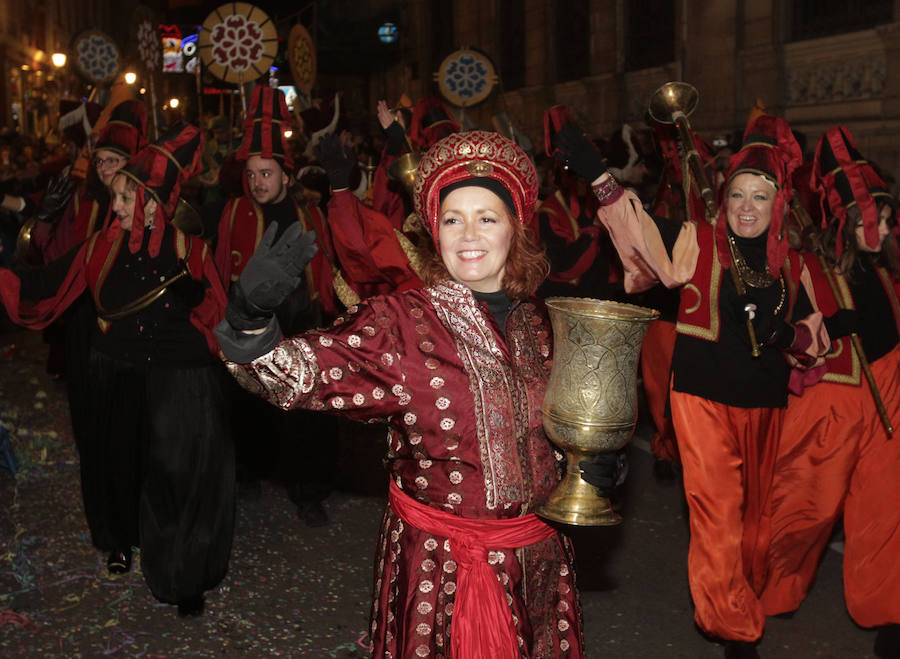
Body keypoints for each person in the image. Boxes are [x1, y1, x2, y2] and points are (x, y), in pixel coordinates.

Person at [214, 130, 625, 657]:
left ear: (515, 230)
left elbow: (569, 432)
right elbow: (294, 375)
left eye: (487, 217)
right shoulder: (400, 323)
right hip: (441, 568)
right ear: (435, 232)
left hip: (539, 565)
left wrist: (593, 466)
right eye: (453, 219)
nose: (468, 234)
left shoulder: (546, 323)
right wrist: (250, 320)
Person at [554, 114, 832, 659]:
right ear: (723, 201)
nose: (747, 207)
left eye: (759, 196)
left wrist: (785, 332)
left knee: (755, 522)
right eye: (737, 196)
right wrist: (598, 175)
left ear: (778, 206)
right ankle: (731, 626)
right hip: (702, 400)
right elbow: (637, 228)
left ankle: (742, 594)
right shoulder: (698, 243)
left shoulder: (795, 266)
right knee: (719, 516)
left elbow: (817, 342)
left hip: (766, 405)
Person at [0, 122, 233, 617]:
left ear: (153, 202)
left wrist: (203, 304)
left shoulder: (192, 251)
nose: (117, 205)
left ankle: (185, 573)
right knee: (122, 465)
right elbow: (44, 286)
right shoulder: (101, 247)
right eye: (119, 197)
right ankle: (124, 542)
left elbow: (222, 321)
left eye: (127, 197)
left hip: (179, 381)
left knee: (178, 476)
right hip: (121, 374)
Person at [760, 126, 900, 659]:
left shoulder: (888, 267)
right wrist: (837, 323)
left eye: (887, 218)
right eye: (876, 217)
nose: (884, 227)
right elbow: (787, 339)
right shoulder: (809, 266)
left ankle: (889, 609)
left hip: (889, 388)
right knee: (805, 508)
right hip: (832, 403)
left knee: (887, 509)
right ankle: (770, 587)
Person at [213, 85, 340, 526]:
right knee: (247, 408)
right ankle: (248, 474)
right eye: (251, 175)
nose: (257, 182)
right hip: (249, 326)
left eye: (265, 174)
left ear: (286, 176)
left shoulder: (309, 216)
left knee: (301, 415)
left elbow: (324, 273)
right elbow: (217, 271)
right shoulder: (232, 214)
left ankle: (307, 493)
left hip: (297, 323)